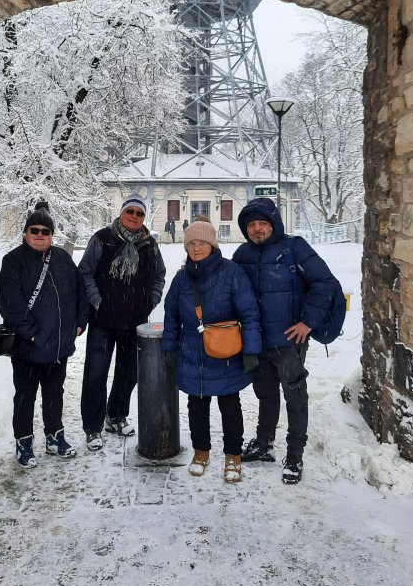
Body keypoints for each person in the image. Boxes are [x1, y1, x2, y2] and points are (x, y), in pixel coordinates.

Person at [232, 197, 341, 484]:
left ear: (274, 225)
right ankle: (264, 442)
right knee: (265, 394)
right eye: (251, 225)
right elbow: (229, 288)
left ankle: (294, 455)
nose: (257, 229)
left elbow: (324, 282)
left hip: (289, 341)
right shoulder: (242, 254)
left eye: (262, 223)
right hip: (257, 341)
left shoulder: (294, 248)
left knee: (295, 396)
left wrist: (309, 321)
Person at [162, 221, 261, 483]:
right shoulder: (181, 279)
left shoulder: (232, 273)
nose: (196, 248)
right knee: (197, 405)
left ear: (212, 245)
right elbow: (171, 315)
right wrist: (169, 347)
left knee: (229, 405)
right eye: (191, 244)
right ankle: (201, 451)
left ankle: (233, 455)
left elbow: (249, 313)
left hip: (225, 352)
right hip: (192, 353)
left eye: (202, 243)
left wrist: (251, 350)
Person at [0, 200, 88, 469]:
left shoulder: (62, 258)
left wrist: (79, 323)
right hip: (29, 347)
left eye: (45, 231)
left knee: (54, 394)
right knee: (25, 396)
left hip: (58, 346)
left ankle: (55, 436)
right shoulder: (13, 261)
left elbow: (80, 292)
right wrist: (34, 335)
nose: (40, 235)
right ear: (26, 233)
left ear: (51, 235)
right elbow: (10, 305)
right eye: (34, 230)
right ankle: (24, 442)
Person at [79, 193, 166, 450]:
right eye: (130, 211)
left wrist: (151, 300)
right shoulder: (102, 239)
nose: (134, 217)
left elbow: (159, 275)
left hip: (135, 321)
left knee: (129, 373)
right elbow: (85, 272)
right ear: (122, 212)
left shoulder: (149, 245)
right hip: (103, 320)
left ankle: (116, 415)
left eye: (140, 213)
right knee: (96, 374)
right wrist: (97, 301)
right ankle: (92, 427)